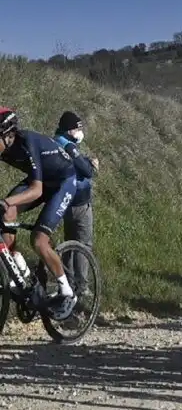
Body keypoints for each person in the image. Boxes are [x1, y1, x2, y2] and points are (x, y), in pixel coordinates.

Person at [0, 108, 78, 319]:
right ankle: (17, 267)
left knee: (39, 240)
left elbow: (36, 190)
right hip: (42, 178)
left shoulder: (27, 142)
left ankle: (67, 291)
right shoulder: (4, 145)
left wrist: (5, 201)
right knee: (6, 213)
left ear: (8, 135)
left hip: (63, 182)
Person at [54, 111, 98, 295]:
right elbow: (86, 170)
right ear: (68, 130)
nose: (80, 131)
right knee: (83, 244)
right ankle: (81, 286)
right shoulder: (69, 146)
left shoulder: (55, 141)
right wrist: (92, 165)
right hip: (79, 202)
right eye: (77, 128)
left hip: (64, 202)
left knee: (69, 243)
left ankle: (68, 283)